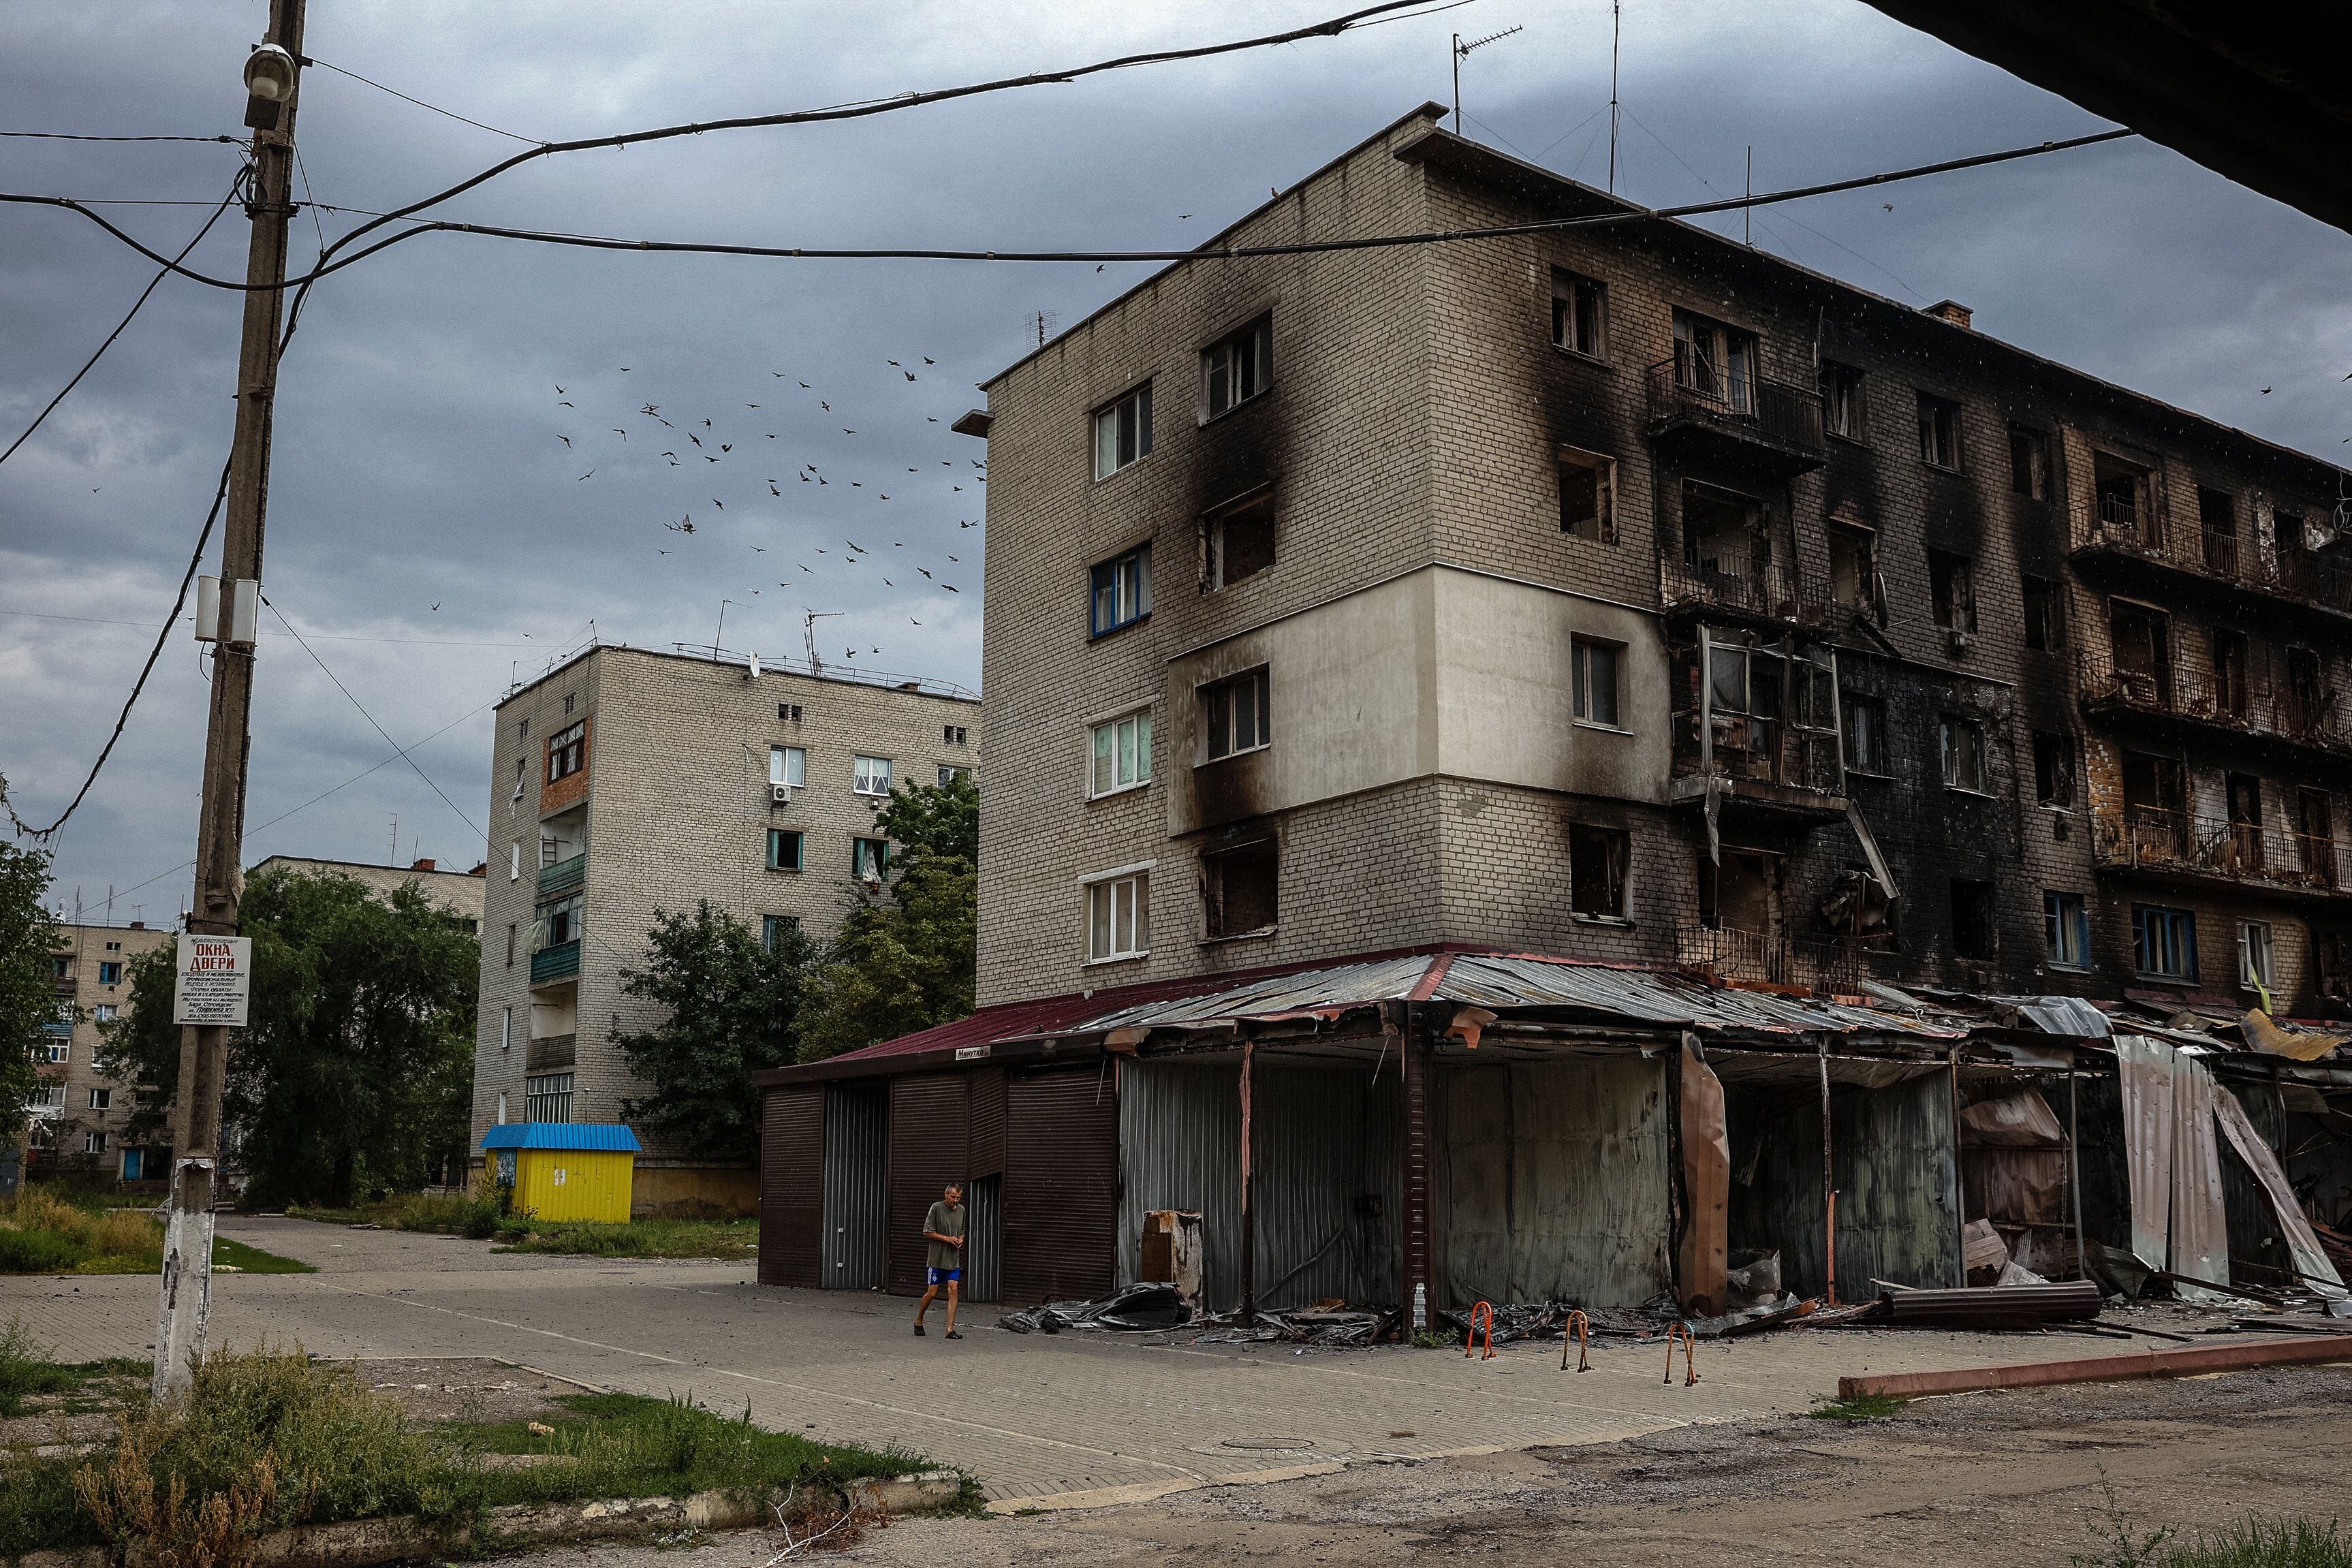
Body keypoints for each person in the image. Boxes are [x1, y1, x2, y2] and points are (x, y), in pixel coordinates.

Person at [913, 1182, 967, 1339]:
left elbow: (963, 1231)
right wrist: (947, 1239)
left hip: (953, 1259)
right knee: (932, 1293)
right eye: (953, 1197)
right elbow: (927, 1231)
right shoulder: (936, 1208)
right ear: (946, 1195)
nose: (955, 1200)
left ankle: (950, 1329)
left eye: (958, 1198)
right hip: (937, 1259)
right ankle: (919, 1319)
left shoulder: (962, 1210)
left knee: (954, 1290)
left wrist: (960, 1239)